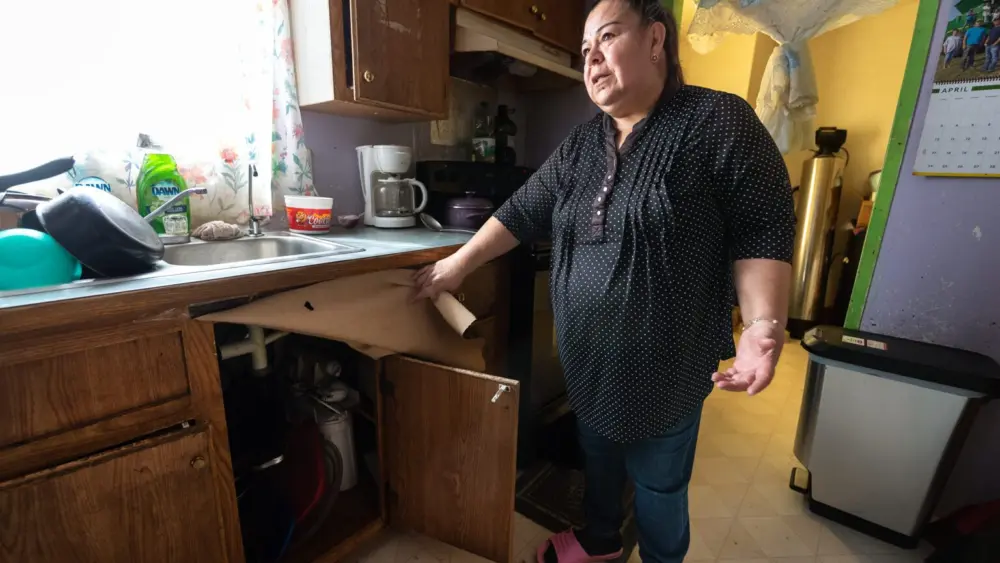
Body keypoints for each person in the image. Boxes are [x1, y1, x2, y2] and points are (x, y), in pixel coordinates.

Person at [413, 0, 794, 561]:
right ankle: (600, 542)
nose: (591, 59)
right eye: (585, 49)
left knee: (659, 485)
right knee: (598, 454)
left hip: (668, 365)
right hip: (589, 357)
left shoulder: (716, 121)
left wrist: (763, 323)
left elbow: (761, 225)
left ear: (656, 41)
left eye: (607, 38)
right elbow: (521, 210)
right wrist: (457, 265)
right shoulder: (584, 142)